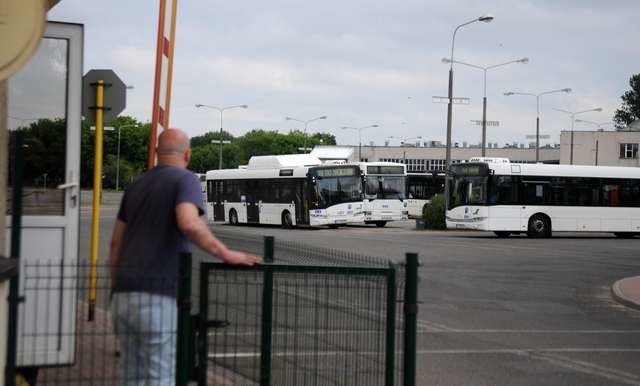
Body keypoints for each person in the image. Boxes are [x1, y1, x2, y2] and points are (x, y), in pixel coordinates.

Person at [108, 128, 260, 386]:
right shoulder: (185, 180)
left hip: (122, 295)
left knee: (130, 372)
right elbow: (189, 223)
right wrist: (226, 253)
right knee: (161, 373)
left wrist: (117, 286)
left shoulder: (136, 185)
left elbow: (115, 244)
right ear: (187, 154)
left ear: (156, 153)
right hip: (158, 294)